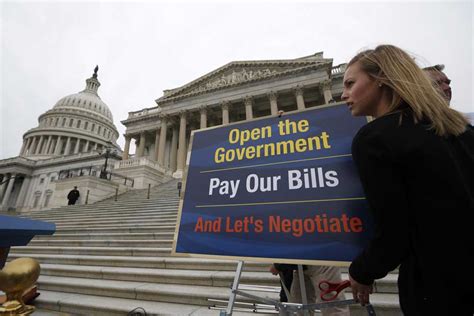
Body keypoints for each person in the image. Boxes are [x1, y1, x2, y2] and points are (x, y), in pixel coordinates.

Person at [341, 44, 473, 315]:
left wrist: (362, 272)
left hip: (439, 284)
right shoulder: (462, 130)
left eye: (351, 83)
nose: (344, 94)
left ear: (381, 80)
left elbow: (394, 233)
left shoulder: (375, 138)